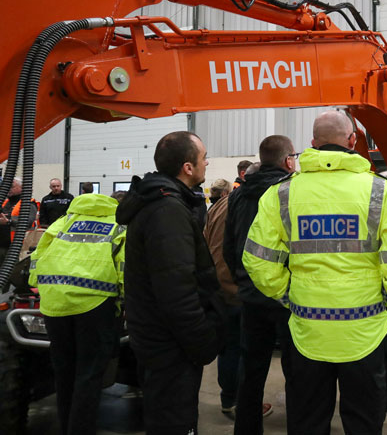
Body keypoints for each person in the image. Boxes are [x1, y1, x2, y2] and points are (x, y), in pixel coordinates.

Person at [243, 110, 387, 434]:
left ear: (313, 143)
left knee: (307, 422)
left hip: (307, 330)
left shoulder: (281, 194)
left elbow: (257, 259)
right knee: (364, 423)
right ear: (352, 141)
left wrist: (287, 294)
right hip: (365, 331)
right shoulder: (382, 192)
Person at [116, 131, 225, 435]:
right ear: (188, 167)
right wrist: (203, 342)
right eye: (203, 158)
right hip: (169, 346)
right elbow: (177, 292)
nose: (207, 163)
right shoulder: (167, 211)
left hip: (158, 338)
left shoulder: (165, 203)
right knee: (174, 422)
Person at [28, 191, 125, 435]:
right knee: (88, 375)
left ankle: (66, 427)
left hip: (55, 303)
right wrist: (124, 301)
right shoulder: (118, 225)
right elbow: (124, 267)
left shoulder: (64, 221)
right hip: (95, 304)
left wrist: (38, 284)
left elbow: (37, 255)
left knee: (64, 373)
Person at [224, 138, 298, 434]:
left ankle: (246, 428)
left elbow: (229, 247)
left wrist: (243, 279)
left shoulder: (238, 196)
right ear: (288, 161)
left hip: (250, 295)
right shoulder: (291, 192)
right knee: (295, 371)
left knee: (251, 370)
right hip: (286, 297)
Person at [202, 178, 241, 420]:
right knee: (238, 349)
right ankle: (236, 402)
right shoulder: (237, 206)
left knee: (227, 348)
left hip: (217, 287)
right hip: (233, 289)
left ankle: (229, 399)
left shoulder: (214, 209)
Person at [0, 177, 39, 261]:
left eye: (12, 186)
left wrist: (9, 221)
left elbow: (27, 222)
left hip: (18, 247)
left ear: (22, 188)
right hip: (2, 246)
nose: (8, 189)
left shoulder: (28, 203)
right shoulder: (5, 203)